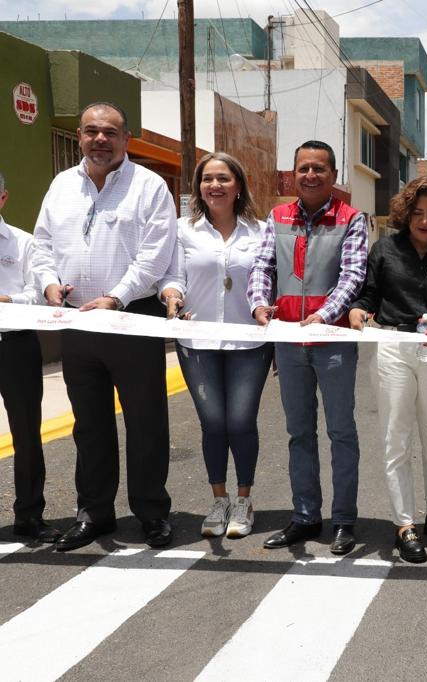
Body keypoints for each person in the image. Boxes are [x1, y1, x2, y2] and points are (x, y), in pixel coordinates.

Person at [33, 102, 176, 552]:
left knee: (146, 422)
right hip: (77, 323)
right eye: (92, 131)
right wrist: (49, 283)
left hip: (133, 318)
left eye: (110, 132)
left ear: (125, 139)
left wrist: (116, 297)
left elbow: (155, 255)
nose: (100, 139)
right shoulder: (60, 187)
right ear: (79, 136)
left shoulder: (150, 187)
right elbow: (41, 245)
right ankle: (94, 513)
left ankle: (152, 513)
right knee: (89, 425)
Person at [248, 140, 367, 554]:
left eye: (319, 169)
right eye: (303, 169)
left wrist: (325, 315)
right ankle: (305, 516)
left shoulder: (351, 219)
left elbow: (353, 275)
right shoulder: (277, 217)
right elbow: (264, 265)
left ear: (333, 175)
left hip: (332, 342)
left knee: (341, 432)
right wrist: (260, 304)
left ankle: (344, 519)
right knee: (299, 432)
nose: (310, 175)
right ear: (292, 174)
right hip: (288, 342)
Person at [349, 177, 427, 563]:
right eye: (418, 212)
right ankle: (404, 524)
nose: (425, 220)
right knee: (395, 438)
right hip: (392, 347)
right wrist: (357, 308)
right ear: (406, 213)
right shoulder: (385, 249)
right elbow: (369, 293)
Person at [159, 152, 273, 539]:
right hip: (198, 340)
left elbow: (269, 280)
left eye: (224, 178)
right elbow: (173, 277)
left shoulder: (261, 231)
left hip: (249, 342)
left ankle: (243, 500)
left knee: (240, 422)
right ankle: (218, 500)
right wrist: (172, 297)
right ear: (198, 187)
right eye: (208, 179)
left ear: (238, 185)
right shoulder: (182, 230)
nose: (215, 186)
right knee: (213, 423)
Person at [0, 172, 61, 543]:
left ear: (3, 198)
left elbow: (37, 295)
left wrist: (7, 302)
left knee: (26, 433)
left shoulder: (22, 243)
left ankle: (29, 515)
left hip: (15, 345)